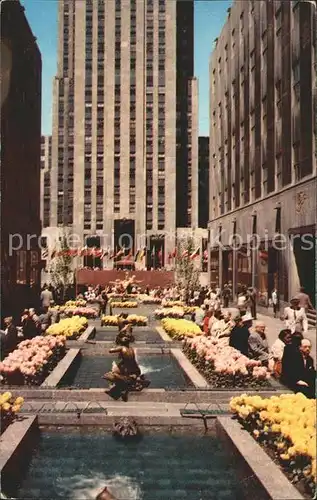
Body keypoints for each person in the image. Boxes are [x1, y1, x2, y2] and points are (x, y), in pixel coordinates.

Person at [103, 334, 150, 401]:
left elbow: (110, 350)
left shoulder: (122, 348)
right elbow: (129, 360)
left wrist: (117, 346)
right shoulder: (131, 349)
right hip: (136, 370)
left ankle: (119, 392)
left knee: (111, 375)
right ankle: (120, 391)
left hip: (129, 371)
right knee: (118, 372)